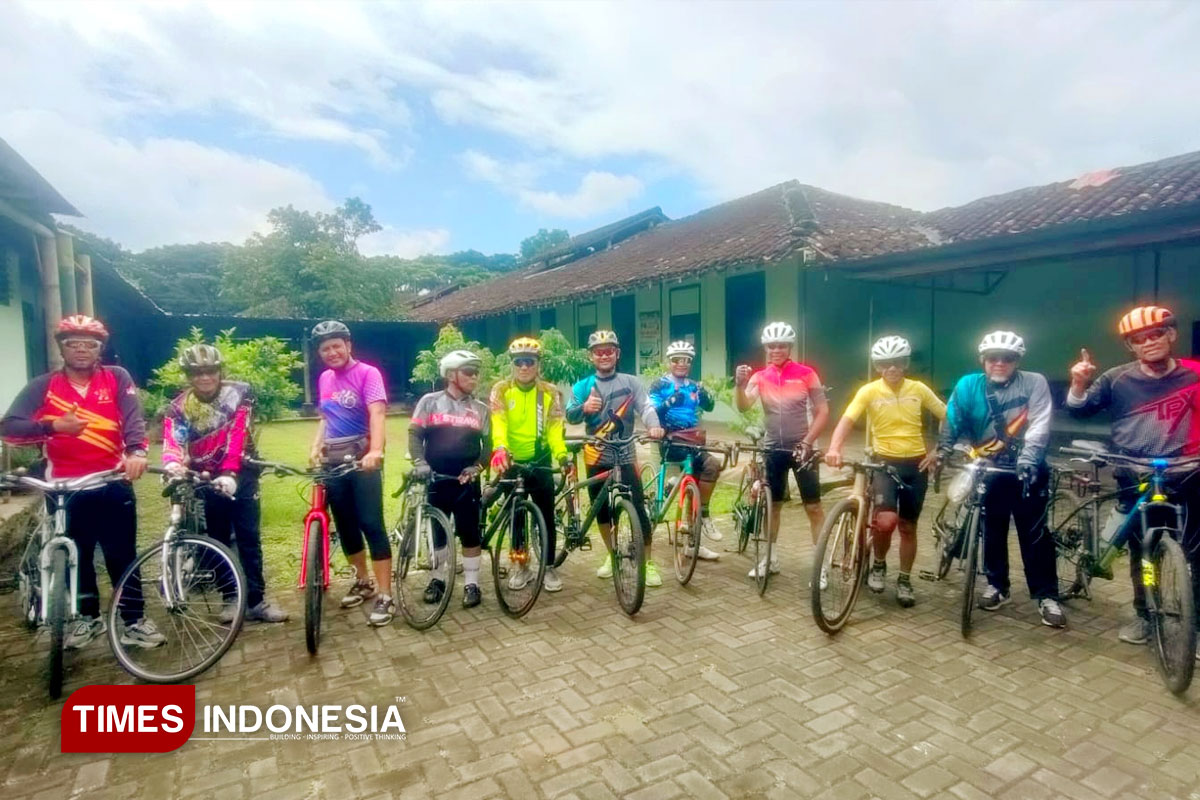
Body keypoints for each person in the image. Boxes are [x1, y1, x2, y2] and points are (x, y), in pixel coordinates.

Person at [0, 315, 164, 650]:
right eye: (72, 343)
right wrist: (53, 427)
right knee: (79, 556)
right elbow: (9, 426)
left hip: (111, 480)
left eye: (89, 344)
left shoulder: (116, 378)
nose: (81, 350)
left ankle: (134, 620)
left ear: (100, 349)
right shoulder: (44, 386)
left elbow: (133, 418)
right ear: (62, 347)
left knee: (122, 554)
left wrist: (135, 451)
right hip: (65, 488)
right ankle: (87, 619)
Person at [1066, 305, 1200, 646]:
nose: (1148, 343)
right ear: (1131, 347)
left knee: (1197, 553)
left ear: (1171, 334)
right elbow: (1079, 411)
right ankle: (1144, 614)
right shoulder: (1116, 378)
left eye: (1156, 333)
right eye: (1138, 339)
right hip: (1134, 475)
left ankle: (1195, 625)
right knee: (1142, 550)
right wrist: (1079, 383)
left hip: (1188, 472)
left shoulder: (1195, 373)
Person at [935, 330, 1065, 628]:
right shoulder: (969, 385)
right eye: (993, 358)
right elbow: (953, 417)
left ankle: (1046, 596)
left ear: (1017, 360)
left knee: (1034, 534)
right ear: (984, 360)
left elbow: (1040, 423)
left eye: (1007, 358)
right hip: (987, 466)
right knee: (992, 529)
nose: (1000, 363)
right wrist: (944, 449)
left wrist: (1029, 461)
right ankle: (998, 586)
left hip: (1026, 468)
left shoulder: (1035, 382)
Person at [162, 343, 288, 623]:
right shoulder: (179, 407)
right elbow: (174, 439)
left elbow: (238, 435)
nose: (205, 378)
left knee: (248, 538)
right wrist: (172, 462)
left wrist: (230, 473)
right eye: (197, 373)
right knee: (217, 538)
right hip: (205, 477)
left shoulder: (239, 394)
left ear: (220, 372)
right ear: (188, 376)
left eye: (210, 371)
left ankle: (256, 600)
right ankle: (230, 597)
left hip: (241, 473)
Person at [825, 336, 945, 607]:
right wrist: (834, 446)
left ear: (905, 364)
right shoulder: (868, 391)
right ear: (878, 366)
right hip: (884, 463)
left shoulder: (919, 389)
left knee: (908, 527)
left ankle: (904, 579)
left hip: (916, 465)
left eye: (898, 363)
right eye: (885, 364)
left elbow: (948, 416)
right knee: (886, 522)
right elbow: (847, 419)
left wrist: (938, 450)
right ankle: (878, 564)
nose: (892, 369)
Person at [309, 320, 393, 626]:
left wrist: (375, 451)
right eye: (325, 348)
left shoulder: (368, 373)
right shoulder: (324, 379)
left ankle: (385, 594)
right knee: (345, 526)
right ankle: (363, 581)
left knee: (371, 523)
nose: (331, 352)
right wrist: (316, 445)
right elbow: (325, 418)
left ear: (348, 345)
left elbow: (378, 413)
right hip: (333, 461)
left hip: (361, 459)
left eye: (336, 346)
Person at [565, 331, 665, 586]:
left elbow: (647, 407)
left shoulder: (631, 382)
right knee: (602, 511)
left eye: (609, 350)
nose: (604, 355)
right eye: (599, 351)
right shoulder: (583, 385)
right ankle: (612, 556)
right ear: (591, 356)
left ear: (617, 354)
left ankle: (648, 563)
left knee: (639, 509)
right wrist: (583, 408)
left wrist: (654, 426)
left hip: (626, 453)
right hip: (595, 454)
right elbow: (570, 414)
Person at [734, 321, 828, 579]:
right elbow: (744, 406)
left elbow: (823, 412)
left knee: (814, 507)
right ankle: (770, 559)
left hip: (803, 448)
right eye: (772, 346)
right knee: (772, 507)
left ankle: (821, 567)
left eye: (782, 345)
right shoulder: (760, 376)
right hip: (773, 448)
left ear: (790, 347)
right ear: (766, 347)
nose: (777, 350)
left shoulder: (806, 373)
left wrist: (808, 442)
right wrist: (739, 386)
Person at [409, 350, 491, 608]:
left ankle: (472, 584)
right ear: (451, 374)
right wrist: (420, 462)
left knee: (470, 534)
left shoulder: (481, 409)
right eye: (468, 371)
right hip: (436, 479)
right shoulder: (429, 402)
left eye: (477, 372)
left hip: (466, 481)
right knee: (438, 535)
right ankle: (437, 579)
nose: (474, 377)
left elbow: (488, 446)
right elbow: (414, 435)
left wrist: (477, 466)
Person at [489, 337, 571, 592]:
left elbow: (556, 429)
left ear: (538, 364)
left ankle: (548, 567)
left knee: (545, 515)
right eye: (519, 362)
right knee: (516, 516)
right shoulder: (501, 390)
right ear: (513, 364)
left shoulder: (549, 392)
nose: (524, 367)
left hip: (541, 460)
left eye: (530, 362)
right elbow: (498, 422)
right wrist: (501, 447)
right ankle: (520, 565)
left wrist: (561, 455)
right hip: (512, 461)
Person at [647, 340, 723, 562]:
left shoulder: (693, 386)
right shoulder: (659, 385)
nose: (681, 364)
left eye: (686, 360)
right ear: (669, 362)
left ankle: (702, 519)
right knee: (684, 480)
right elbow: (650, 412)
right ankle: (673, 486)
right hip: (670, 440)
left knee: (712, 467)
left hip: (693, 440)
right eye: (676, 360)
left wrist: (706, 394)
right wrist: (670, 401)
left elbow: (709, 407)